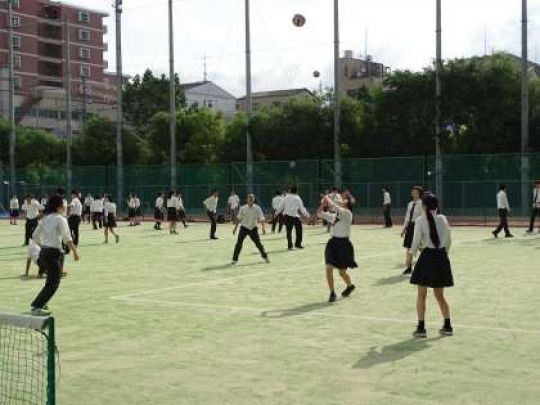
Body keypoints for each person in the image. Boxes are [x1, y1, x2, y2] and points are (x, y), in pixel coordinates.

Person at [410, 193, 454, 338]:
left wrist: (411, 256)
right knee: (440, 295)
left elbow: (416, 242)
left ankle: (421, 328)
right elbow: (448, 240)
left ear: (424, 206)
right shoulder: (443, 219)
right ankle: (448, 325)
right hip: (441, 257)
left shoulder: (420, 220)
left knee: (421, 294)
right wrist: (443, 255)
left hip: (427, 258)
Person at [29, 194, 80, 316]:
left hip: (44, 253)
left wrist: (44, 246)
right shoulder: (61, 219)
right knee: (54, 283)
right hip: (54, 253)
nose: (65, 206)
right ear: (58, 206)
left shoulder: (45, 219)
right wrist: (75, 252)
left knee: (50, 281)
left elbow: (35, 236)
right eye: (63, 204)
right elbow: (67, 238)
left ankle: (42, 302)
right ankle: (37, 306)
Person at [317, 195, 357, 303]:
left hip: (344, 245)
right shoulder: (334, 215)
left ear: (347, 205)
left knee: (342, 273)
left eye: (343, 201)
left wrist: (327, 198)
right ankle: (332, 293)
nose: (340, 202)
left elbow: (334, 206)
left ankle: (350, 286)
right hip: (333, 243)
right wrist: (323, 204)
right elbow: (319, 214)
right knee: (328, 268)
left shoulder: (348, 214)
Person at [231, 194, 269, 265]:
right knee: (239, 244)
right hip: (244, 228)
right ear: (247, 199)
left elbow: (262, 218)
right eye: (249, 198)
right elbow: (239, 219)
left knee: (258, 244)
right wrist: (235, 228)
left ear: (254, 199)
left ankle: (265, 257)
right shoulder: (242, 208)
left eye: (252, 198)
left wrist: (263, 228)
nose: (251, 199)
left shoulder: (257, 208)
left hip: (253, 228)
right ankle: (234, 259)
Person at [277, 185, 310, 250]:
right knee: (299, 230)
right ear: (296, 191)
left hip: (287, 216)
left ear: (290, 190)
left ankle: (290, 246)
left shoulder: (286, 197)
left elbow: (281, 206)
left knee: (288, 231)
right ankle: (298, 244)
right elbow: (302, 208)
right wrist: (307, 215)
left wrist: (277, 213)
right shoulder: (297, 198)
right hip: (294, 216)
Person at [401, 186, 424, 275]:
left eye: (415, 191)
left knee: (421, 247)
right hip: (410, 226)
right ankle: (409, 267)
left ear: (419, 193)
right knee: (409, 247)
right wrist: (404, 229)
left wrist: (423, 228)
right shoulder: (410, 204)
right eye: (412, 191)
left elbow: (423, 216)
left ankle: (425, 265)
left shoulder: (422, 203)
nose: (413, 192)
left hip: (418, 226)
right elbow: (407, 217)